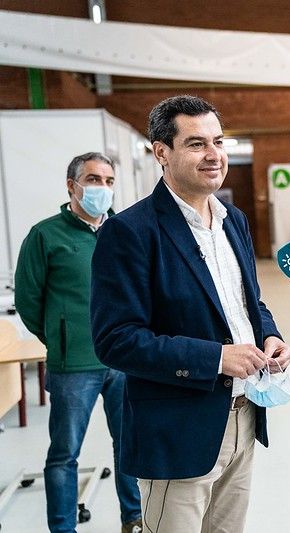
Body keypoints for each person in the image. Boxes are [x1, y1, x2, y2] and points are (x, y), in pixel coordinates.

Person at [90, 95, 290, 533]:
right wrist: (217, 358)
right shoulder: (129, 232)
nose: (214, 155)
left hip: (242, 413)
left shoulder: (232, 220)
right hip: (178, 428)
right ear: (161, 152)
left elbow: (247, 301)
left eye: (218, 141)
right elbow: (115, 340)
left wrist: (269, 336)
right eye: (196, 143)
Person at [14, 152, 142, 533]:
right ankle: (63, 527)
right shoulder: (45, 235)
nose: (101, 188)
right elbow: (28, 300)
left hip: (123, 359)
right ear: (72, 186)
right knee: (64, 454)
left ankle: (133, 518)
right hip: (74, 367)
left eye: (107, 180)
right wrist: (61, 336)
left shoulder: (125, 231)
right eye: (92, 179)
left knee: (130, 445)